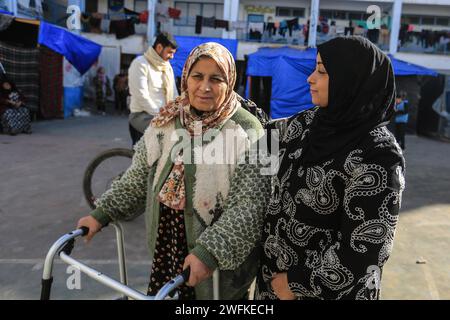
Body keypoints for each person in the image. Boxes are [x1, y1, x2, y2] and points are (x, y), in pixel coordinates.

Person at [76, 42, 271, 300]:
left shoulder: (248, 131)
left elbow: (250, 206)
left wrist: (209, 253)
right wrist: (102, 213)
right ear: (186, 77)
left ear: (231, 81)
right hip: (166, 246)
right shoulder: (167, 120)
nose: (205, 87)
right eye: (197, 76)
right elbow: (138, 177)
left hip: (218, 265)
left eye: (216, 78)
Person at [254, 36, 405, 300]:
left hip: (319, 292)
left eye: (322, 71)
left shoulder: (379, 155)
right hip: (273, 284)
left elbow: (366, 249)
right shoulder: (310, 123)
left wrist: (295, 283)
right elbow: (258, 136)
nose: (310, 78)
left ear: (350, 80)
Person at [128, 32, 179, 146]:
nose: (172, 56)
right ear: (159, 47)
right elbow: (141, 96)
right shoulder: (141, 64)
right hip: (142, 116)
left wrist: (177, 110)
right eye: (169, 52)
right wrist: (161, 115)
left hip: (163, 117)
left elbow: (174, 94)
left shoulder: (167, 67)